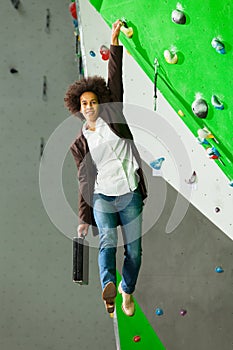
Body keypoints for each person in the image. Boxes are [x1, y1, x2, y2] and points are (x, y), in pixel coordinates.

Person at [64, 20, 147, 316]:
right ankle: (108, 290)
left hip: (130, 193)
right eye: (83, 103)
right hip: (103, 198)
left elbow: (115, 77)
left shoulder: (115, 116)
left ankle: (126, 290)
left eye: (93, 101)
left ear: (101, 102)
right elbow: (84, 182)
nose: (89, 106)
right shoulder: (80, 144)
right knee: (108, 243)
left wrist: (114, 41)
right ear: (78, 108)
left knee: (134, 251)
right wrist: (84, 220)